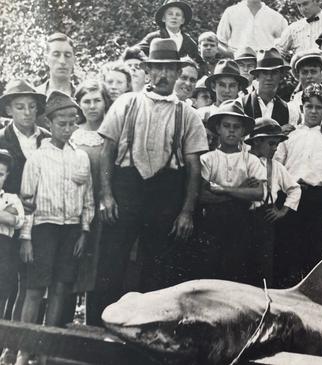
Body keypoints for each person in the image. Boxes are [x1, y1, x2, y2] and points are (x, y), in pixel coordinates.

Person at [94, 39, 208, 319]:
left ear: (177, 73)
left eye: (169, 69)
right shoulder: (126, 103)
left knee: (158, 267)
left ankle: (146, 334)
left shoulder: (188, 114)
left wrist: (186, 212)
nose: (163, 75)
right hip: (125, 189)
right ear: (147, 71)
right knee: (111, 262)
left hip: (165, 194)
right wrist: (106, 195)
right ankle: (97, 331)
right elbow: (106, 151)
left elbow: (194, 168)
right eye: (157, 69)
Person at [16, 91, 93, 365]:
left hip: (71, 231)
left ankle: (46, 350)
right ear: (49, 124)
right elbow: (27, 203)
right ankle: (25, 348)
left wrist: (84, 231)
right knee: (36, 288)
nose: (68, 128)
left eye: (73, 122)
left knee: (61, 288)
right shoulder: (37, 158)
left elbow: (88, 199)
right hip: (43, 230)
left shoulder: (81, 157)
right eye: (62, 123)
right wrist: (26, 238)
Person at [274, 84, 322, 287]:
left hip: (318, 201)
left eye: (319, 107)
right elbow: (277, 167)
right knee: (287, 254)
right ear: (301, 108)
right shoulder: (289, 135)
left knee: (314, 255)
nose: (313, 111)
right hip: (290, 197)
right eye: (309, 106)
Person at [0, 80, 49, 364]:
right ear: (9, 109)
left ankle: (22, 345)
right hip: (9, 221)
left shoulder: (45, 138)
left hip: (40, 218)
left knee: (32, 283)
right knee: (8, 281)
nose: (27, 112)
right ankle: (5, 342)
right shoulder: (2, 138)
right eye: (20, 107)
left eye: (32, 107)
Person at [198, 100, 265, 284]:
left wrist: (222, 190)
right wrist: (241, 190)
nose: (232, 131)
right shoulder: (207, 159)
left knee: (237, 270)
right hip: (212, 222)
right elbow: (202, 195)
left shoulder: (251, 160)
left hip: (242, 221)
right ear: (218, 128)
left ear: (243, 131)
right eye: (226, 126)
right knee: (210, 269)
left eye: (237, 127)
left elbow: (258, 193)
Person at [70, 79, 110, 326]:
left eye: (97, 100)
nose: (93, 106)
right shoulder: (73, 133)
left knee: (100, 265)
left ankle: (94, 324)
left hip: (105, 207)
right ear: (79, 104)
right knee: (75, 262)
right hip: (77, 207)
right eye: (87, 101)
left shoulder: (112, 131)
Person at [246, 117, 301, 286]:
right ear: (256, 142)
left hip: (265, 218)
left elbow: (294, 189)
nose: (275, 148)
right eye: (271, 144)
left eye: (277, 144)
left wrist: (282, 210)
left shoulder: (275, 166)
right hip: (242, 218)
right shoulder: (242, 160)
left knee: (264, 266)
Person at [240, 48, 301, 129]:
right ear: (257, 76)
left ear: (281, 76)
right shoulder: (241, 105)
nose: (269, 78)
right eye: (265, 73)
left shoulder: (289, 110)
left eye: (274, 72)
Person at [198, 59, 249, 149]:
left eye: (232, 86)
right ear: (214, 87)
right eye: (222, 85)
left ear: (239, 88)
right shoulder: (201, 114)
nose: (227, 90)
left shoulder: (245, 118)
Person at [0, 150, 24, 330]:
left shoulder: (11, 198)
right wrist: (4, 213)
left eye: (0, 174)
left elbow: (15, 220)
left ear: (7, 176)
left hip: (4, 251)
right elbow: (6, 217)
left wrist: (9, 216)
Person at [137, 0, 202, 65]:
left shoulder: (189, 42)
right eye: (170, 14)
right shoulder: (154, 37)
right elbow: (135, 51)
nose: (174, 17)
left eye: (178, 15)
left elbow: (200, 64)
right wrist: (149, 63)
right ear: (163, 19)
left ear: (182, 20)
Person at [217, 0, 288, 53]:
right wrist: (232, 54)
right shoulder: (231, 12)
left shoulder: (275, 16)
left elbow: (285, 43)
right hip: (239, 62)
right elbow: (220, 42)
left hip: (265, 66)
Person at [36, 33, 76, 97]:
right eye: (56, 55)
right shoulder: (35, 97)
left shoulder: (83, 98)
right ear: (46, 59)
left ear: (74, 60)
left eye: (67, 55)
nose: (62, 61)